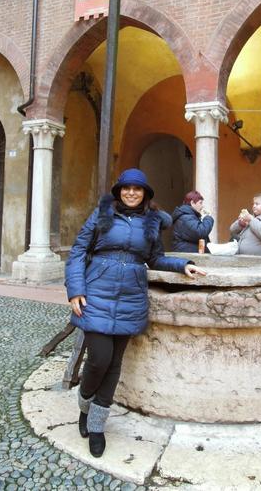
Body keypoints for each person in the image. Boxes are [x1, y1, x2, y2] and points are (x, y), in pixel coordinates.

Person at [65, 168, 206, 458]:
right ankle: (84, 404)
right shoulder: (102, 213)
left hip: (130, 295)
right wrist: (76, 288)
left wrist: (182, 266)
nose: (131, 192)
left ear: (145, 194)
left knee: (114, 364)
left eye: (137, 189)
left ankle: (96, 426)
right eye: (126, 188)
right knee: (98, 360)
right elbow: (78, 250)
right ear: (118, 191)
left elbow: (155, 258)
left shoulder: (151, 221)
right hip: (97, 292)